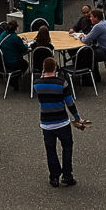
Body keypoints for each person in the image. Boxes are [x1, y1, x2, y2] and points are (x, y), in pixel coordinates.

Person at [33, 57, 84, 187]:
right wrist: (77, 118)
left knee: (51, 150)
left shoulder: (37, 84)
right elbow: (69, 103)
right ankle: (67, 175)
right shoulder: (62, 83)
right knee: (67, 147)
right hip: (62, 121)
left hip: (46, 123)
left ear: (44, 68)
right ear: (55, 68)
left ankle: (54, 176)